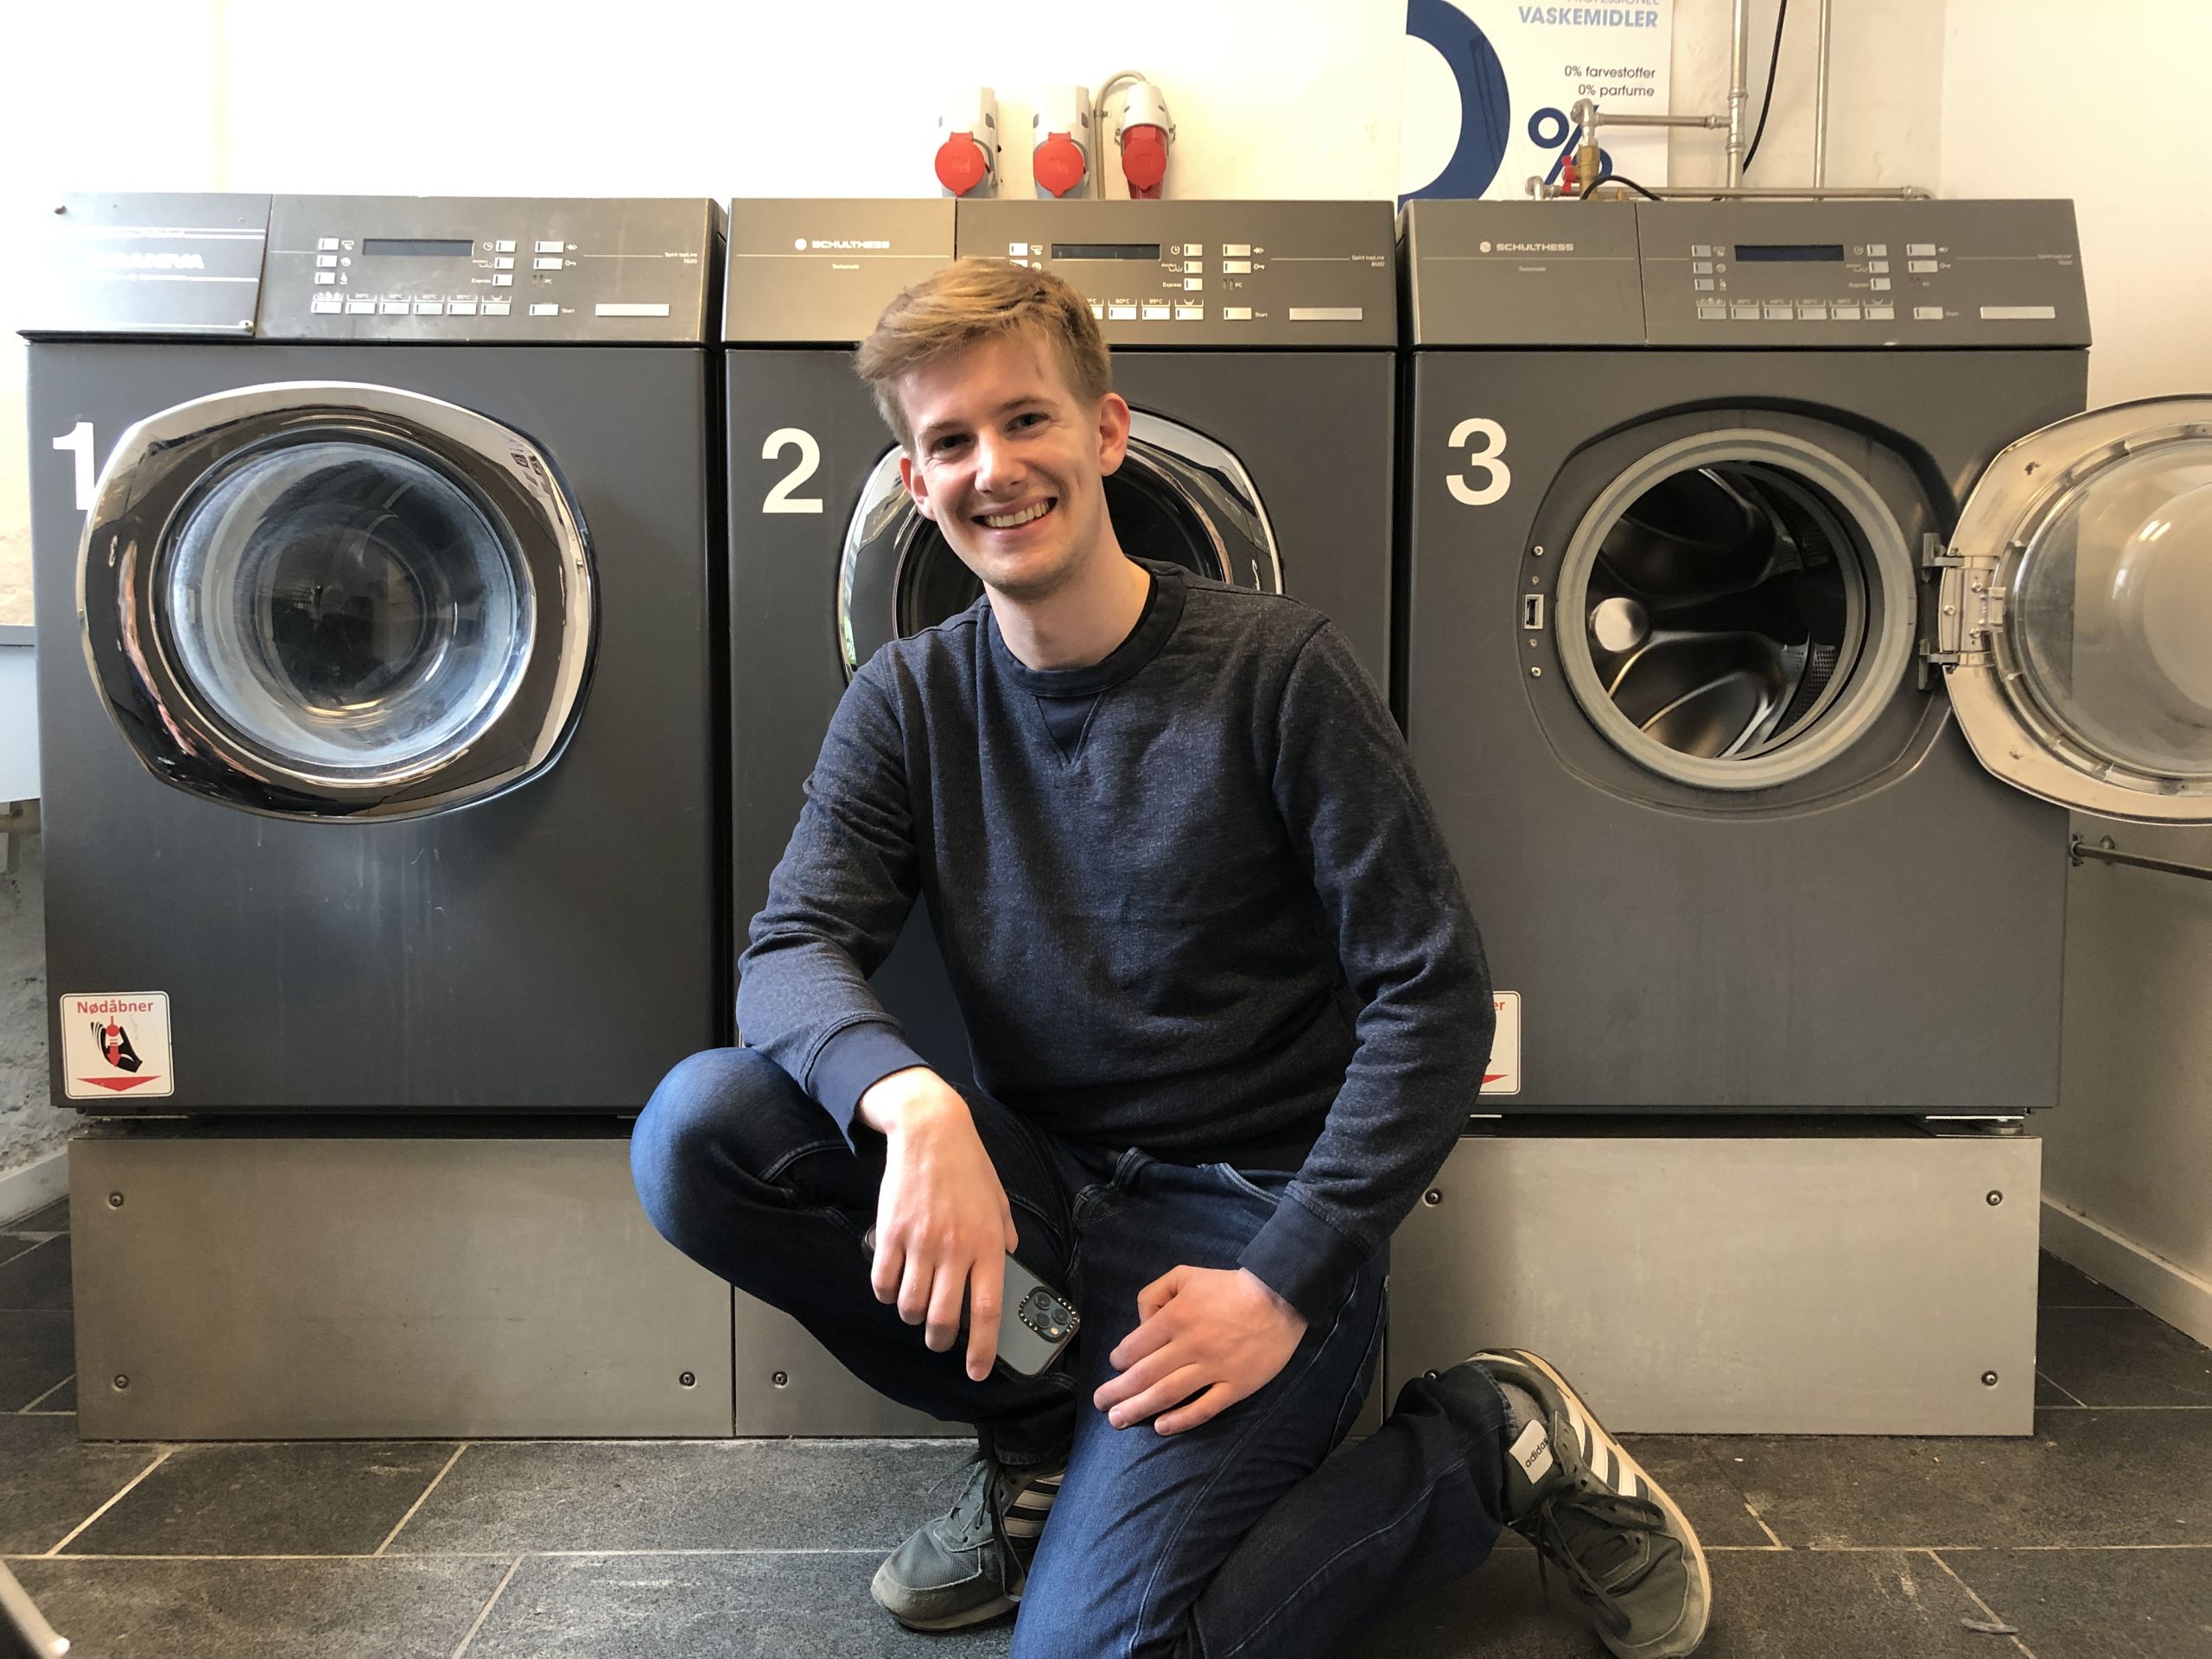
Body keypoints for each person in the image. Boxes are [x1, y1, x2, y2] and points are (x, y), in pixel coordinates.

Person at [631, 259, 1709, 1659]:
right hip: (1043, 1190)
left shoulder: (1277, 674)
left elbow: (1431, 1001)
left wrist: (1287, 1277)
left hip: (1246, 1222)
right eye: (949, 441)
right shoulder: (910, 696)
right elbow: (789, 950)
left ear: (1108, 435)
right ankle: (1036, 1429)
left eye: (1027, 422)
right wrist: (914, 1102)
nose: (994, 469)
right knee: (702, 1132)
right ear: (914, 482)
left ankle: (1486, 1446)